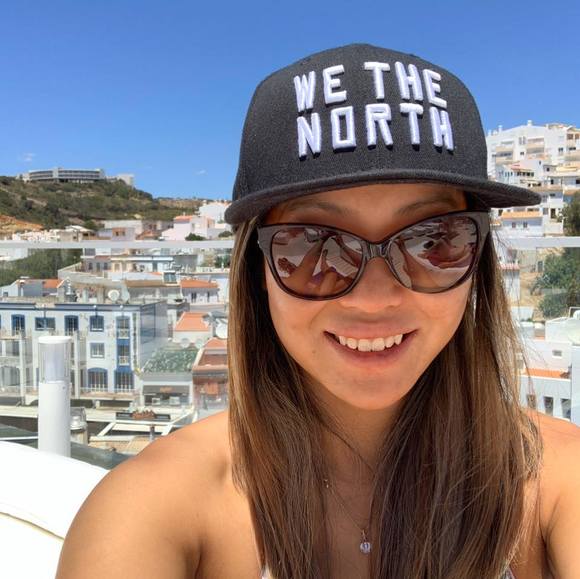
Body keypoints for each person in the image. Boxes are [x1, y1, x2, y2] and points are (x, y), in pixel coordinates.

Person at [56, 44, 580, 579]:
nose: (373, 298)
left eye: (432, 239)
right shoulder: (155, 506)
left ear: (478, 259)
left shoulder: (561, 481)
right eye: (311, 245)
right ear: (257, 271)